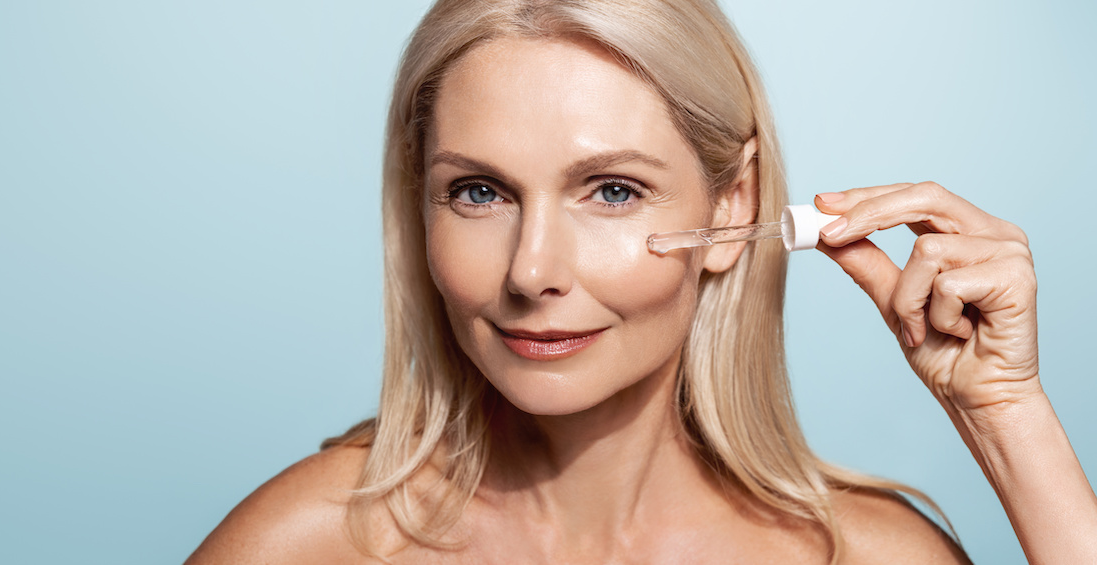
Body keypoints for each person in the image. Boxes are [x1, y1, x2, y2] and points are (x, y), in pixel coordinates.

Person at [186, 0, 1097, 562]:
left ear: (733, 206)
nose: (532, 270)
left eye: (612, 191)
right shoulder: (305, 544)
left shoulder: (867, 556)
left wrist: (1008, 417)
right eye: (479, 192)